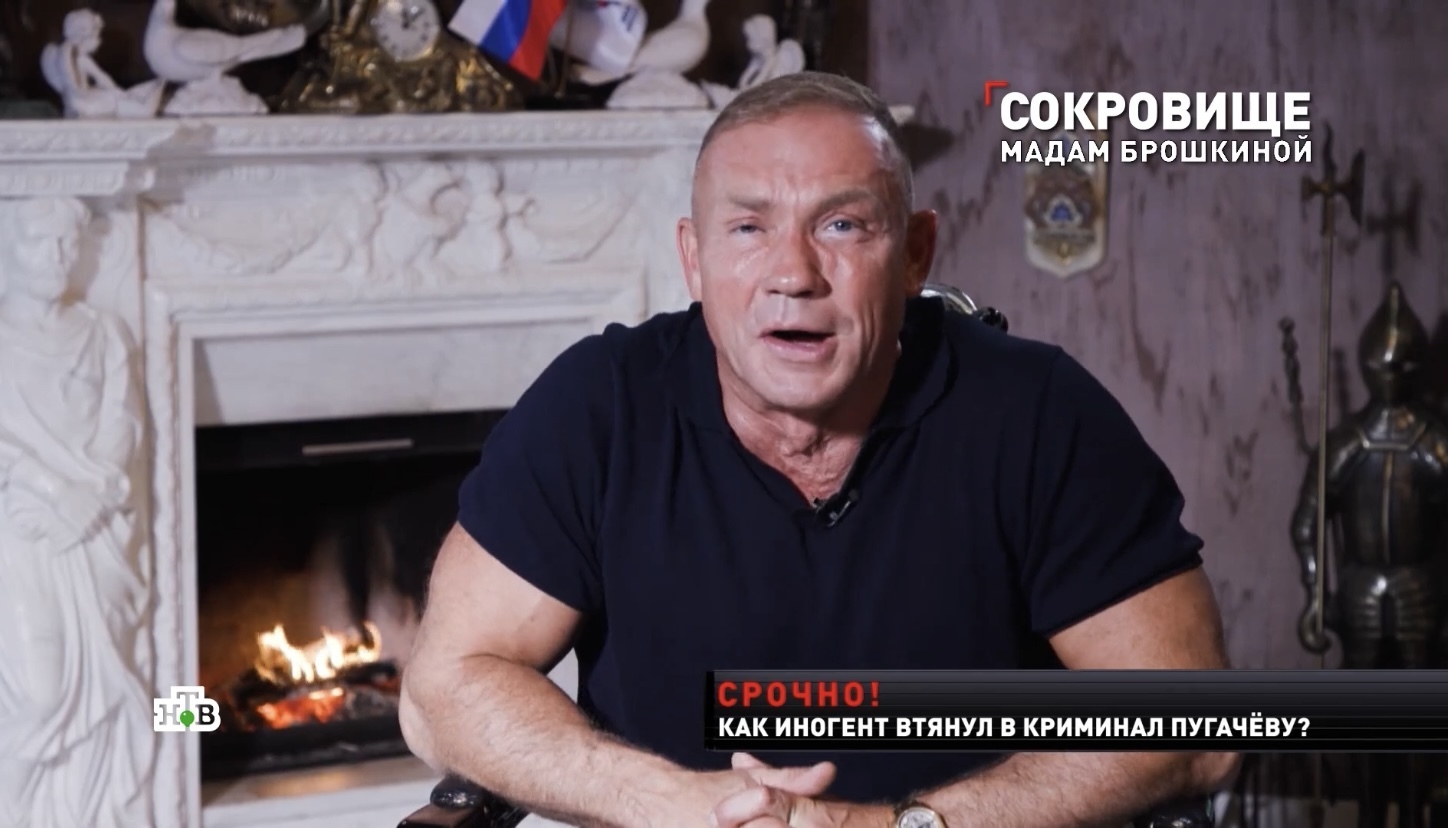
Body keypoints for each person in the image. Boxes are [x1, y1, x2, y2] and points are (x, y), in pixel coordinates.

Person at [400, 71, 1238, 828]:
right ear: (694, 259)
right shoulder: (602, 406)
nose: (793, 273)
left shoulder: (1038, 412)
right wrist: (672, 806)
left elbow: (1196, 725)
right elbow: (443, 688)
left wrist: (894, 827)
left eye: (841, 224)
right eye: (748, 228)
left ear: (914, 254)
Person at [0, 196, 154, 828]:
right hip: (23, 535)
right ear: (10, 248)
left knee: (129, 680)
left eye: (69, 242)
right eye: (41, 242)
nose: (59, 257)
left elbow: (125, 424)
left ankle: (203, 720)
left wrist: (97, 493)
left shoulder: (104, 332)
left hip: (101, 537)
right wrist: (55, 493)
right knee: (41, 694)